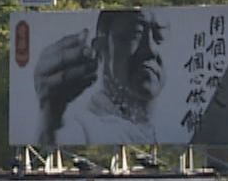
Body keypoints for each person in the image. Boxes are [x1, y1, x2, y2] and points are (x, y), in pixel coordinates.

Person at [34, 10, 167, 145]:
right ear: (100, 48)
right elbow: (56, 134)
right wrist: (50, 118)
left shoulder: (167, 129)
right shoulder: (82, 128)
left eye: (159, 36)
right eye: (134, 34)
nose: (151, 50)